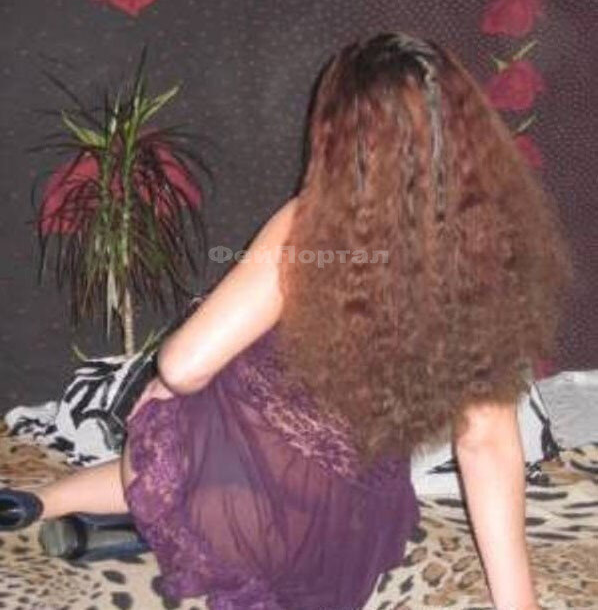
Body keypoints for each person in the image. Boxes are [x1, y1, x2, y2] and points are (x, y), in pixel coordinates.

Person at [0, 33, 571, 610]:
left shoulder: (309, 225)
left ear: (340, 133)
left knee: (183, 403)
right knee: (253, 432)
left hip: (240, 515)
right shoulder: (486, 252)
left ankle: (99, 513)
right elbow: (487, 442)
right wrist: (519, 603)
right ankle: (55, 505)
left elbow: (183, 366)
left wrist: (163, 392)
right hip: (345, 539)